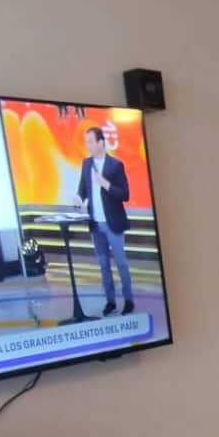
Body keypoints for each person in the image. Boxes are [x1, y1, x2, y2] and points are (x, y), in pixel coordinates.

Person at [75, 126, 134, 316]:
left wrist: (106, 184)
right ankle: (110, 302)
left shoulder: (115, 165)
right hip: (96, 225)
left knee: (121, 264)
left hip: (113, 224)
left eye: (90, 141)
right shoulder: (86, 164)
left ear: (101, 142)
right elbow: (83, 189)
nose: (88, 145)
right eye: (86, 142)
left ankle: (129, 301)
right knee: (104, 266)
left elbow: (125, 195)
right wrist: (78, 198)